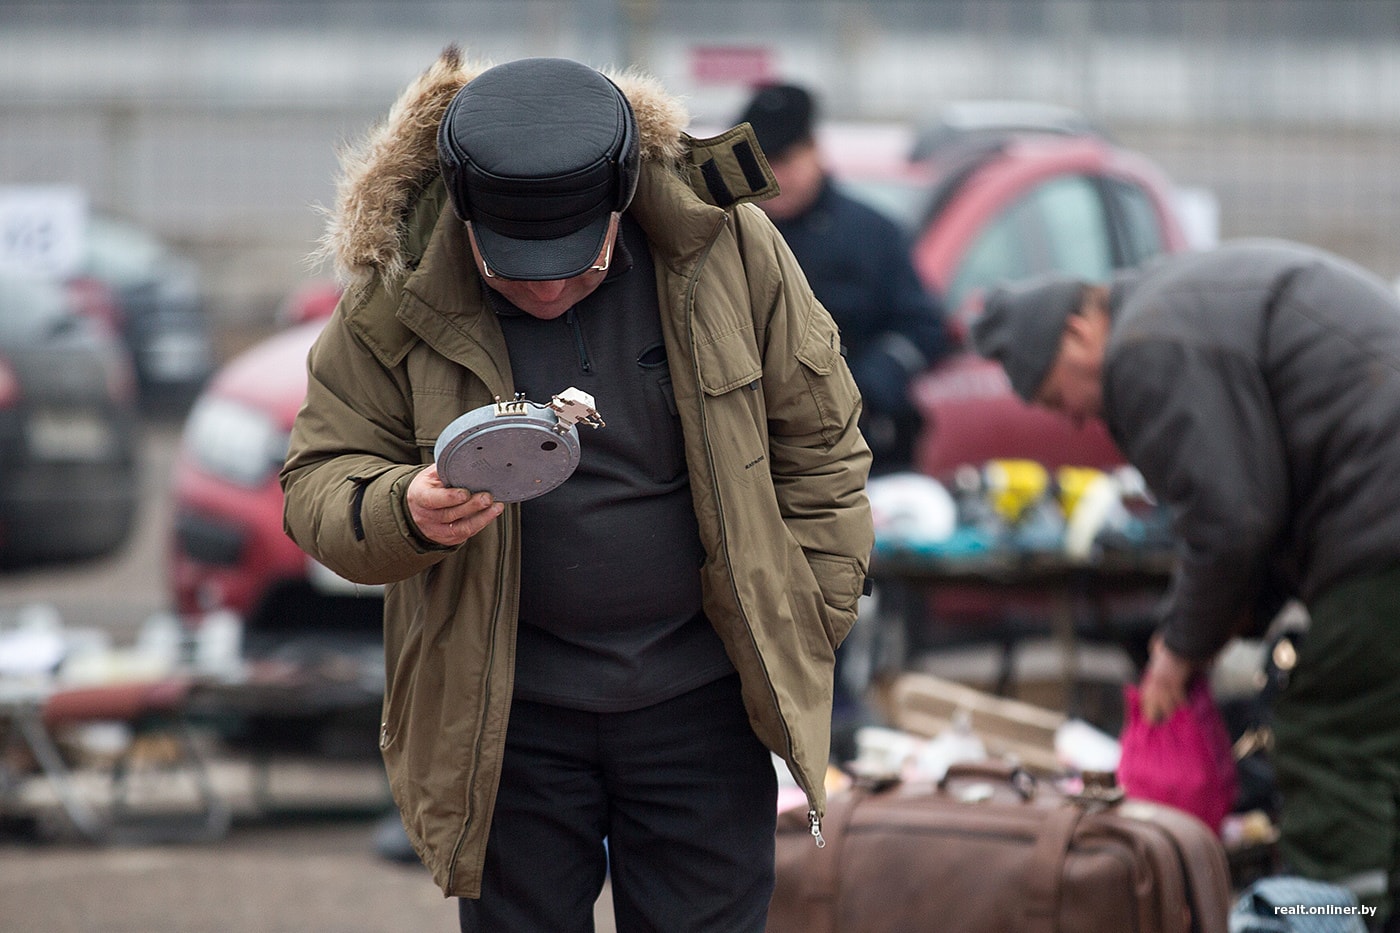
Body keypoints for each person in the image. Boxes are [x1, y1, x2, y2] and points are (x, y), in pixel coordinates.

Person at [280, 51, 873, 933]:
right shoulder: (393, 286)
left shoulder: (725, 246)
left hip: (702, 704)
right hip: (507, 715)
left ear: (624, 198)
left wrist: (808, 616)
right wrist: (401, 509)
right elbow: (317, 481)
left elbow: (822, 437)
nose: (551, 288)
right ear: (465, 219)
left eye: (578, 264)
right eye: (517, 270)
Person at [969, 239, 1400, 929]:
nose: (1077, 418)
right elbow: (1253, 499)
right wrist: (1229, 615)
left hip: (1379, 517)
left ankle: (1340, 916)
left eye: (1059, 396)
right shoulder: (1171, 309)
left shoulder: (1145, 346)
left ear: (1079, 330)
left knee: (1332, 743)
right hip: (1376, 504)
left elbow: (1230, 521)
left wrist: (1179, 644)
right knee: (1380, 744)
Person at [737, 82, 948, 476]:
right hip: (752, 447)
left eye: (783, 159)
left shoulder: (873, 234)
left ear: (814, 150)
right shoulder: (726, 235)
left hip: (861, 443)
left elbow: (923, 326)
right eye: (759, 161)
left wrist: (864, 386)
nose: (771, 175)